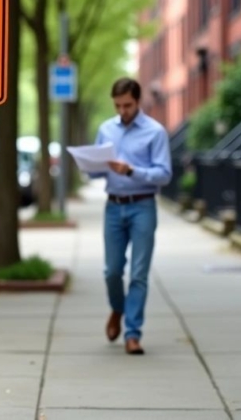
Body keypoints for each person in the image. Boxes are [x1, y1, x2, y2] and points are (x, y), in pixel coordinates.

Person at [87, 77, 172, 355]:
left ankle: (133, 333)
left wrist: (132, 170)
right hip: (113, 206)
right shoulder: (106, 129)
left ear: (138, 101)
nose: (122, 111)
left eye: (127, 105)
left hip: (143, 207)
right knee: (111, 271)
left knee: (138, 274)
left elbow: (164, 174)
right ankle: (117, 309)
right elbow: (97, 170)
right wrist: (89, 165)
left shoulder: (154, 132)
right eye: (118, 106)